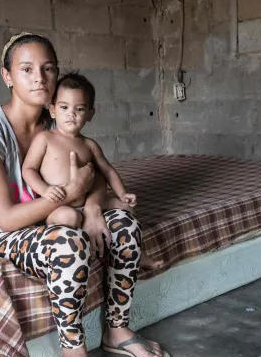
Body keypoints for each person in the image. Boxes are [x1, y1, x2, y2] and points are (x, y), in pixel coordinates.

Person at [0, 32, 170, 357]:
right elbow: (6, 219)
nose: (39, 78)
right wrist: (70, 195)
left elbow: (93, 174)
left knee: (122, 225)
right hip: (5, 232)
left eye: (48, 68)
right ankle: (72, 351)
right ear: (7, 76)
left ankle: (117, 329)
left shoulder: (58, 119)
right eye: (26, 69)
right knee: (68, 244)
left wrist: (93, 208)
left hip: (57, 215)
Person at [21, 72, 164, 270]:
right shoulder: (45, 139)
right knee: (70, 218)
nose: (71, 114)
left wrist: (122, 193)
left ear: (90, 114)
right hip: (58, 206)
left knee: (126, 208)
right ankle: (70, 253)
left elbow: (108, 170)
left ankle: (136, 254)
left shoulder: (89, 145)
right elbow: (28, 169)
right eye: (64, 107)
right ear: (52, 110)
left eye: (79, 109)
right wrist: (44, 190)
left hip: (88, 201)